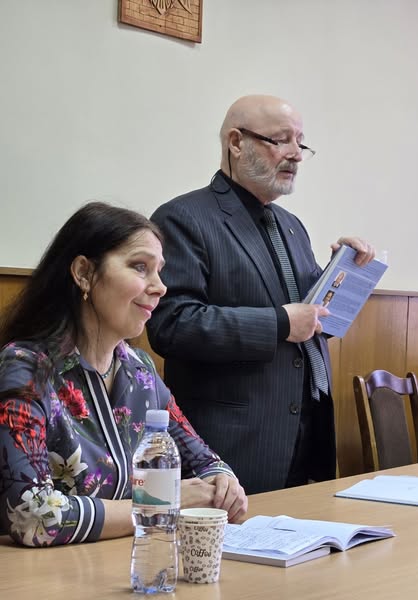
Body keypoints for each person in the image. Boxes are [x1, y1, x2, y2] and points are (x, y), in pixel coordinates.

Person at [147, 94, 375, 495]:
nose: (296, 154)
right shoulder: (183, 218)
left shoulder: (292, 226)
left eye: (300, 142)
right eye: (281, 140)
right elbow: (172, 325)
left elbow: (312, 323)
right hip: (233, 444)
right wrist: (280, 323)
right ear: (237, 142)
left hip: (306, 433)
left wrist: (339, 276)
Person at [0, 201, 247, 548]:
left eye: (159, 271)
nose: (160, 287)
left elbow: (204, 461)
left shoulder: (139, 369)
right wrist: (164, 503)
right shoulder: (25, 367)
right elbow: (34, 516)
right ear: (84, 273)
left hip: (130, 560)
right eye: (140, 267)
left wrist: (223, 482)